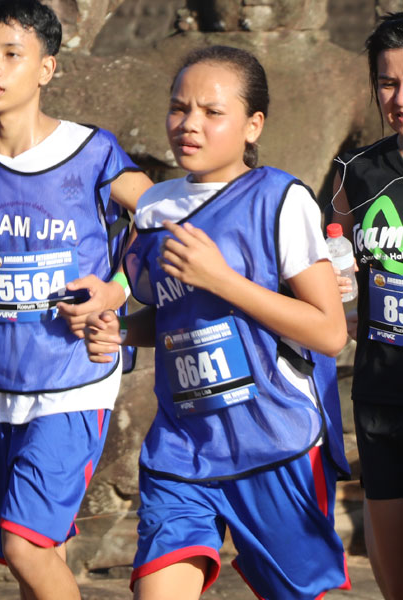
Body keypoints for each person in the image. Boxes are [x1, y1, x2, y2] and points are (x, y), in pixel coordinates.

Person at [86, 45, 353, 599]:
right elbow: (171, 315)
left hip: (275, 442)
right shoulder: (156, 208)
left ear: (253, 125)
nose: (189, 125)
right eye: (179, 108)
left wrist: (223, 279)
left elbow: (328, 331)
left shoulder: (281, 199)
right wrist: (121, 331)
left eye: (212, 112)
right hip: (183, 448)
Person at [0, 2, 151, 595]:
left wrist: (116, 291)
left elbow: (166, 217)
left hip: (75, 378)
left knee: (24, 544)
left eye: (11, 55)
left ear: (46, 69)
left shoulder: (93, 153)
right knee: (41, 553)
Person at [327, 13, 403, 597]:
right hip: (382, 395)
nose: (398, 98)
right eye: (387, 82)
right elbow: (336, 271)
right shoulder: (356, 172)